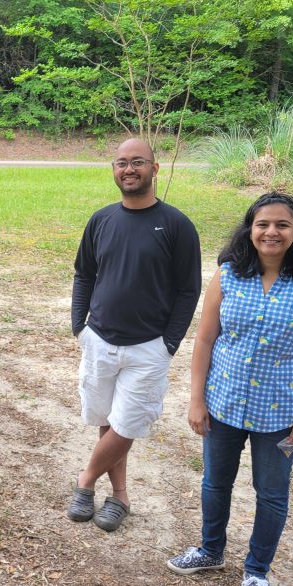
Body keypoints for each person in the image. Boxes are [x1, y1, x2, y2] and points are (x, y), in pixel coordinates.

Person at [167, 192, 293, 586]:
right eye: (263, 224)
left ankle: (257, 571)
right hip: (223, 404)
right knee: (215, 482)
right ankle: (211, 551)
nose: (271, 232)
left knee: (273, 494)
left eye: (282, 225)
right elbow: (206, 339)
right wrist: (196, 399)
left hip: (280, 413)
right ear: (250, 229)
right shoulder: (228, 275)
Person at [67, 138, 202, 531]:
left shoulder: (176, 225)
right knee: (108, 420)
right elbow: (84, 273)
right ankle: (120, 496)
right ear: (113, 170)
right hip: (99, 340)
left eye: (138, 162)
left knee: (127, 423)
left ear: (154, 169)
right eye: (121, 163)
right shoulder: (102, 219)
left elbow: (187, 290)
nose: (129, 169)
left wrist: (169, 344)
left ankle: (86, 480)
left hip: (149, 347)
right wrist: (80, 326)